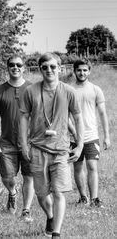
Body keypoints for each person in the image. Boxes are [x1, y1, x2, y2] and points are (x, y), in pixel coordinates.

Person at [20, 52, 84, 239]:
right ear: (40, 69)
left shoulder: (69, 91)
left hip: (61, 150)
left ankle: (56, 232)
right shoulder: (30, 91)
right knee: (41, 194)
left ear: (60, 67)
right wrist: (24, 144)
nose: (49, 70)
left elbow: (78, 118)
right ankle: (50, 216)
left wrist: (79, 145)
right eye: (45, 67)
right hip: (38, 149)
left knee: (58, 192)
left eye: (53, 67)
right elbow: (23, 118)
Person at [0, 55, 35, 221]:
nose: (15, 67)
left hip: (30, 143)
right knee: (7, 176)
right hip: (7, 142)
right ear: (7, 68)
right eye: (12, 65)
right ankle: (13, 193)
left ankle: (26, 210)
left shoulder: (33, 89)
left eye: (18, 65)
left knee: (29, 176)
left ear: (24, 68)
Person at [70, 58, 110, 207]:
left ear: (89, 71)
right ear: (74, 71)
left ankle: (94, 199)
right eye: (79, 70)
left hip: (92, 136)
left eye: (85, 70)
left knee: (92, 167)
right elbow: (65, 115)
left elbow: (102, 114)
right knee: (78, 167)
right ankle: (83, 197)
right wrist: (72, 133)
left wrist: (106, 136)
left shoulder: (95, 89)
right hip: (73, 137)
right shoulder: (69, 90)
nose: (82, 72)